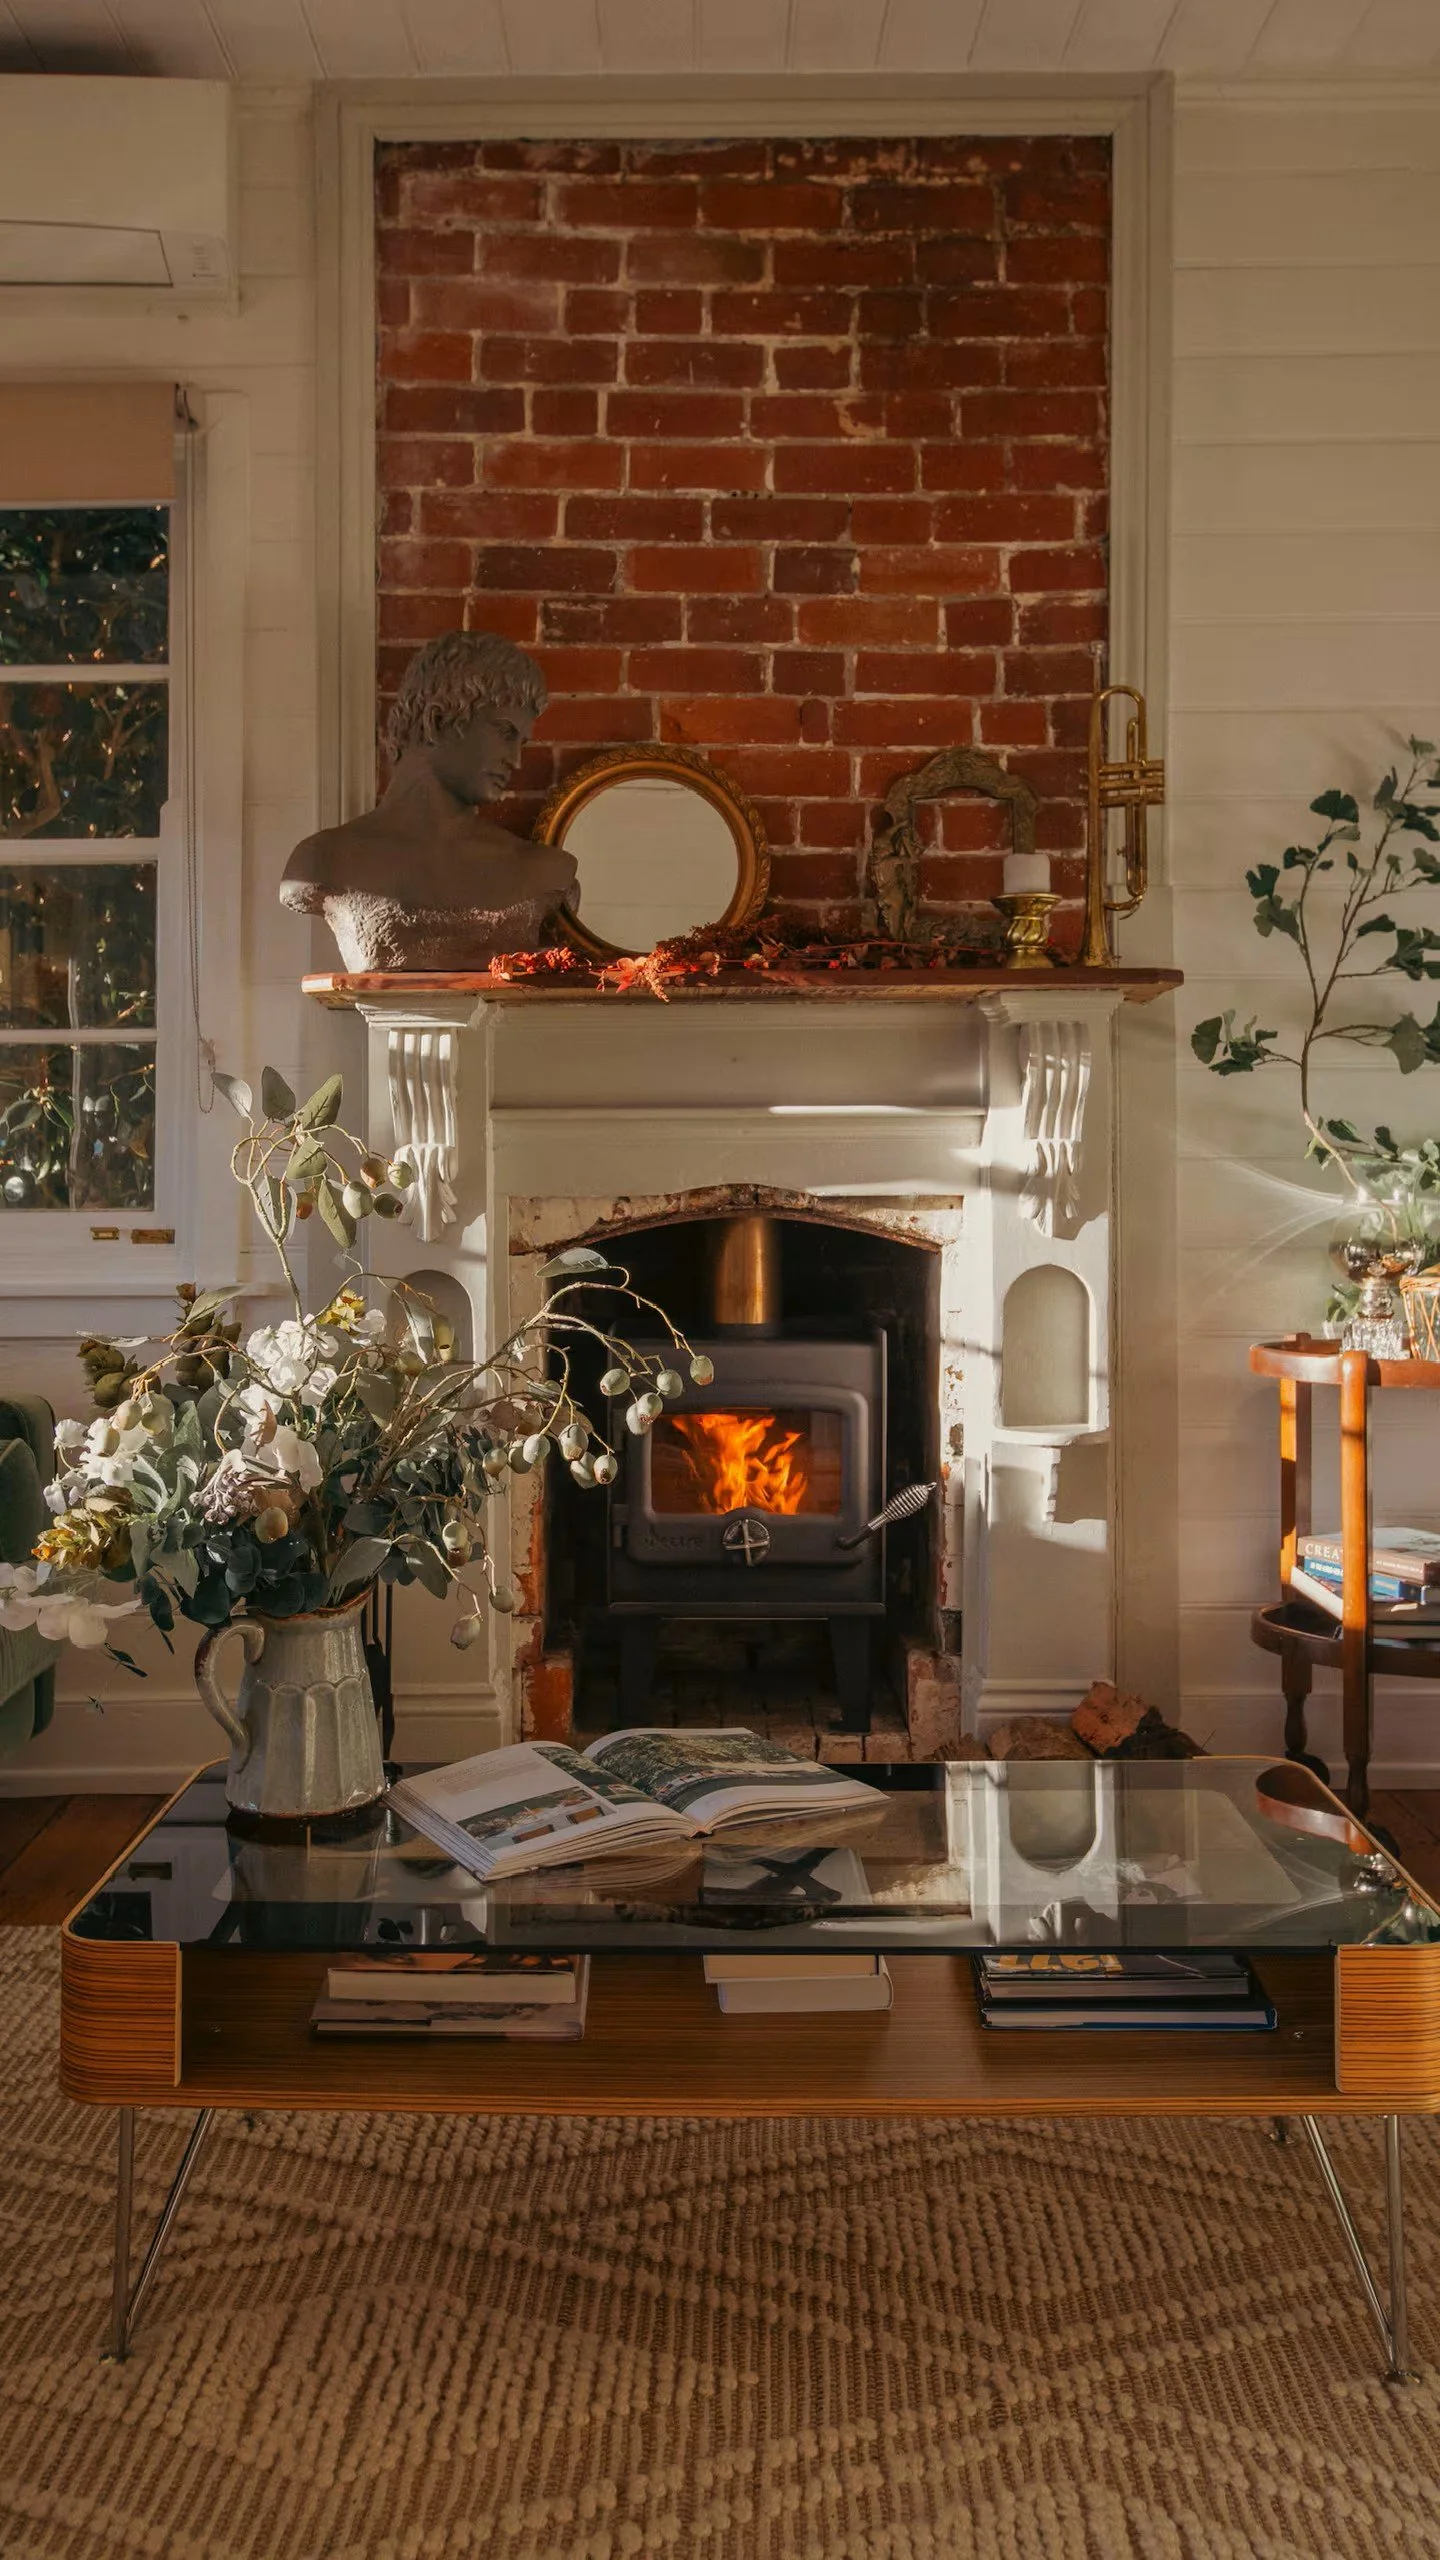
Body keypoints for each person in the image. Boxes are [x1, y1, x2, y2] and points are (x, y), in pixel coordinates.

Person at [281, 630, 577, 971]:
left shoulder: (541, 871)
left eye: (521, 742)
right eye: (504, 731)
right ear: (437, 720)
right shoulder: (321, 861)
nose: (516, 760)